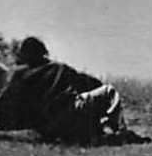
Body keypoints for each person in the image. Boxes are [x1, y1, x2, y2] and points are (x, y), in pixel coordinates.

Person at [8, 36, 142, 144]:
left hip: (46, 127)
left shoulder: (19, 75)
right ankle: (119, 130)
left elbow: (3, 102)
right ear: (42, 52)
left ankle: (97, 133)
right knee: (108, 91)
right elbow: (91, 83)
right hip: (69, 113)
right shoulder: (58, 68)